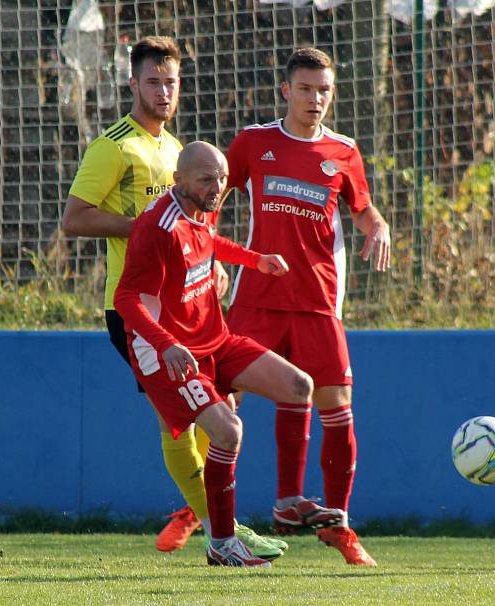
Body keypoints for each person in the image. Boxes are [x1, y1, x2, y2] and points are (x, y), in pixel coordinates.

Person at [61, 36, 284, 558]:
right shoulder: (115, 146)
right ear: (133, 83)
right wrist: (138, 224)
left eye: (171, 82)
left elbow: (197, 223)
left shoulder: (178, 150)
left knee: (218, 407)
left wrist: (214, 266)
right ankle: (216, 527)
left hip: (195, 308)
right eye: (153, 81)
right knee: (177, 418)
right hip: (141, 313)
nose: (163, 91)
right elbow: (74, 219)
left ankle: (210, 518)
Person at [223, 47, 390, 566]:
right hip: (255, 298)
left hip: (319, 303)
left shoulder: (343, 151)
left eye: (324, 90)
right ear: (285, 91)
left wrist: (378, 226)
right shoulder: (253, 143)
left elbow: (363, 210)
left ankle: (337, 523)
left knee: (336, 406)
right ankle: (201, 512)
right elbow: (212, 200)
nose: (315, 99)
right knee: (220, 404)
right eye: (305, 89)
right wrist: (208, 258)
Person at [114, 141, 312, 567]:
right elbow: (126, 297)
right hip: (164, 353)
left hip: (214, 340)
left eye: (221, 177)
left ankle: (290, 500)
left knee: (299, 386)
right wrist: (167, 344)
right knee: (228, 432)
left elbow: (208, 244)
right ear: (177, 181)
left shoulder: (201, 207)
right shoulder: (157, 227)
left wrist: (256, 260)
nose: (218, 187)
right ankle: (222, 544)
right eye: (207, 179)